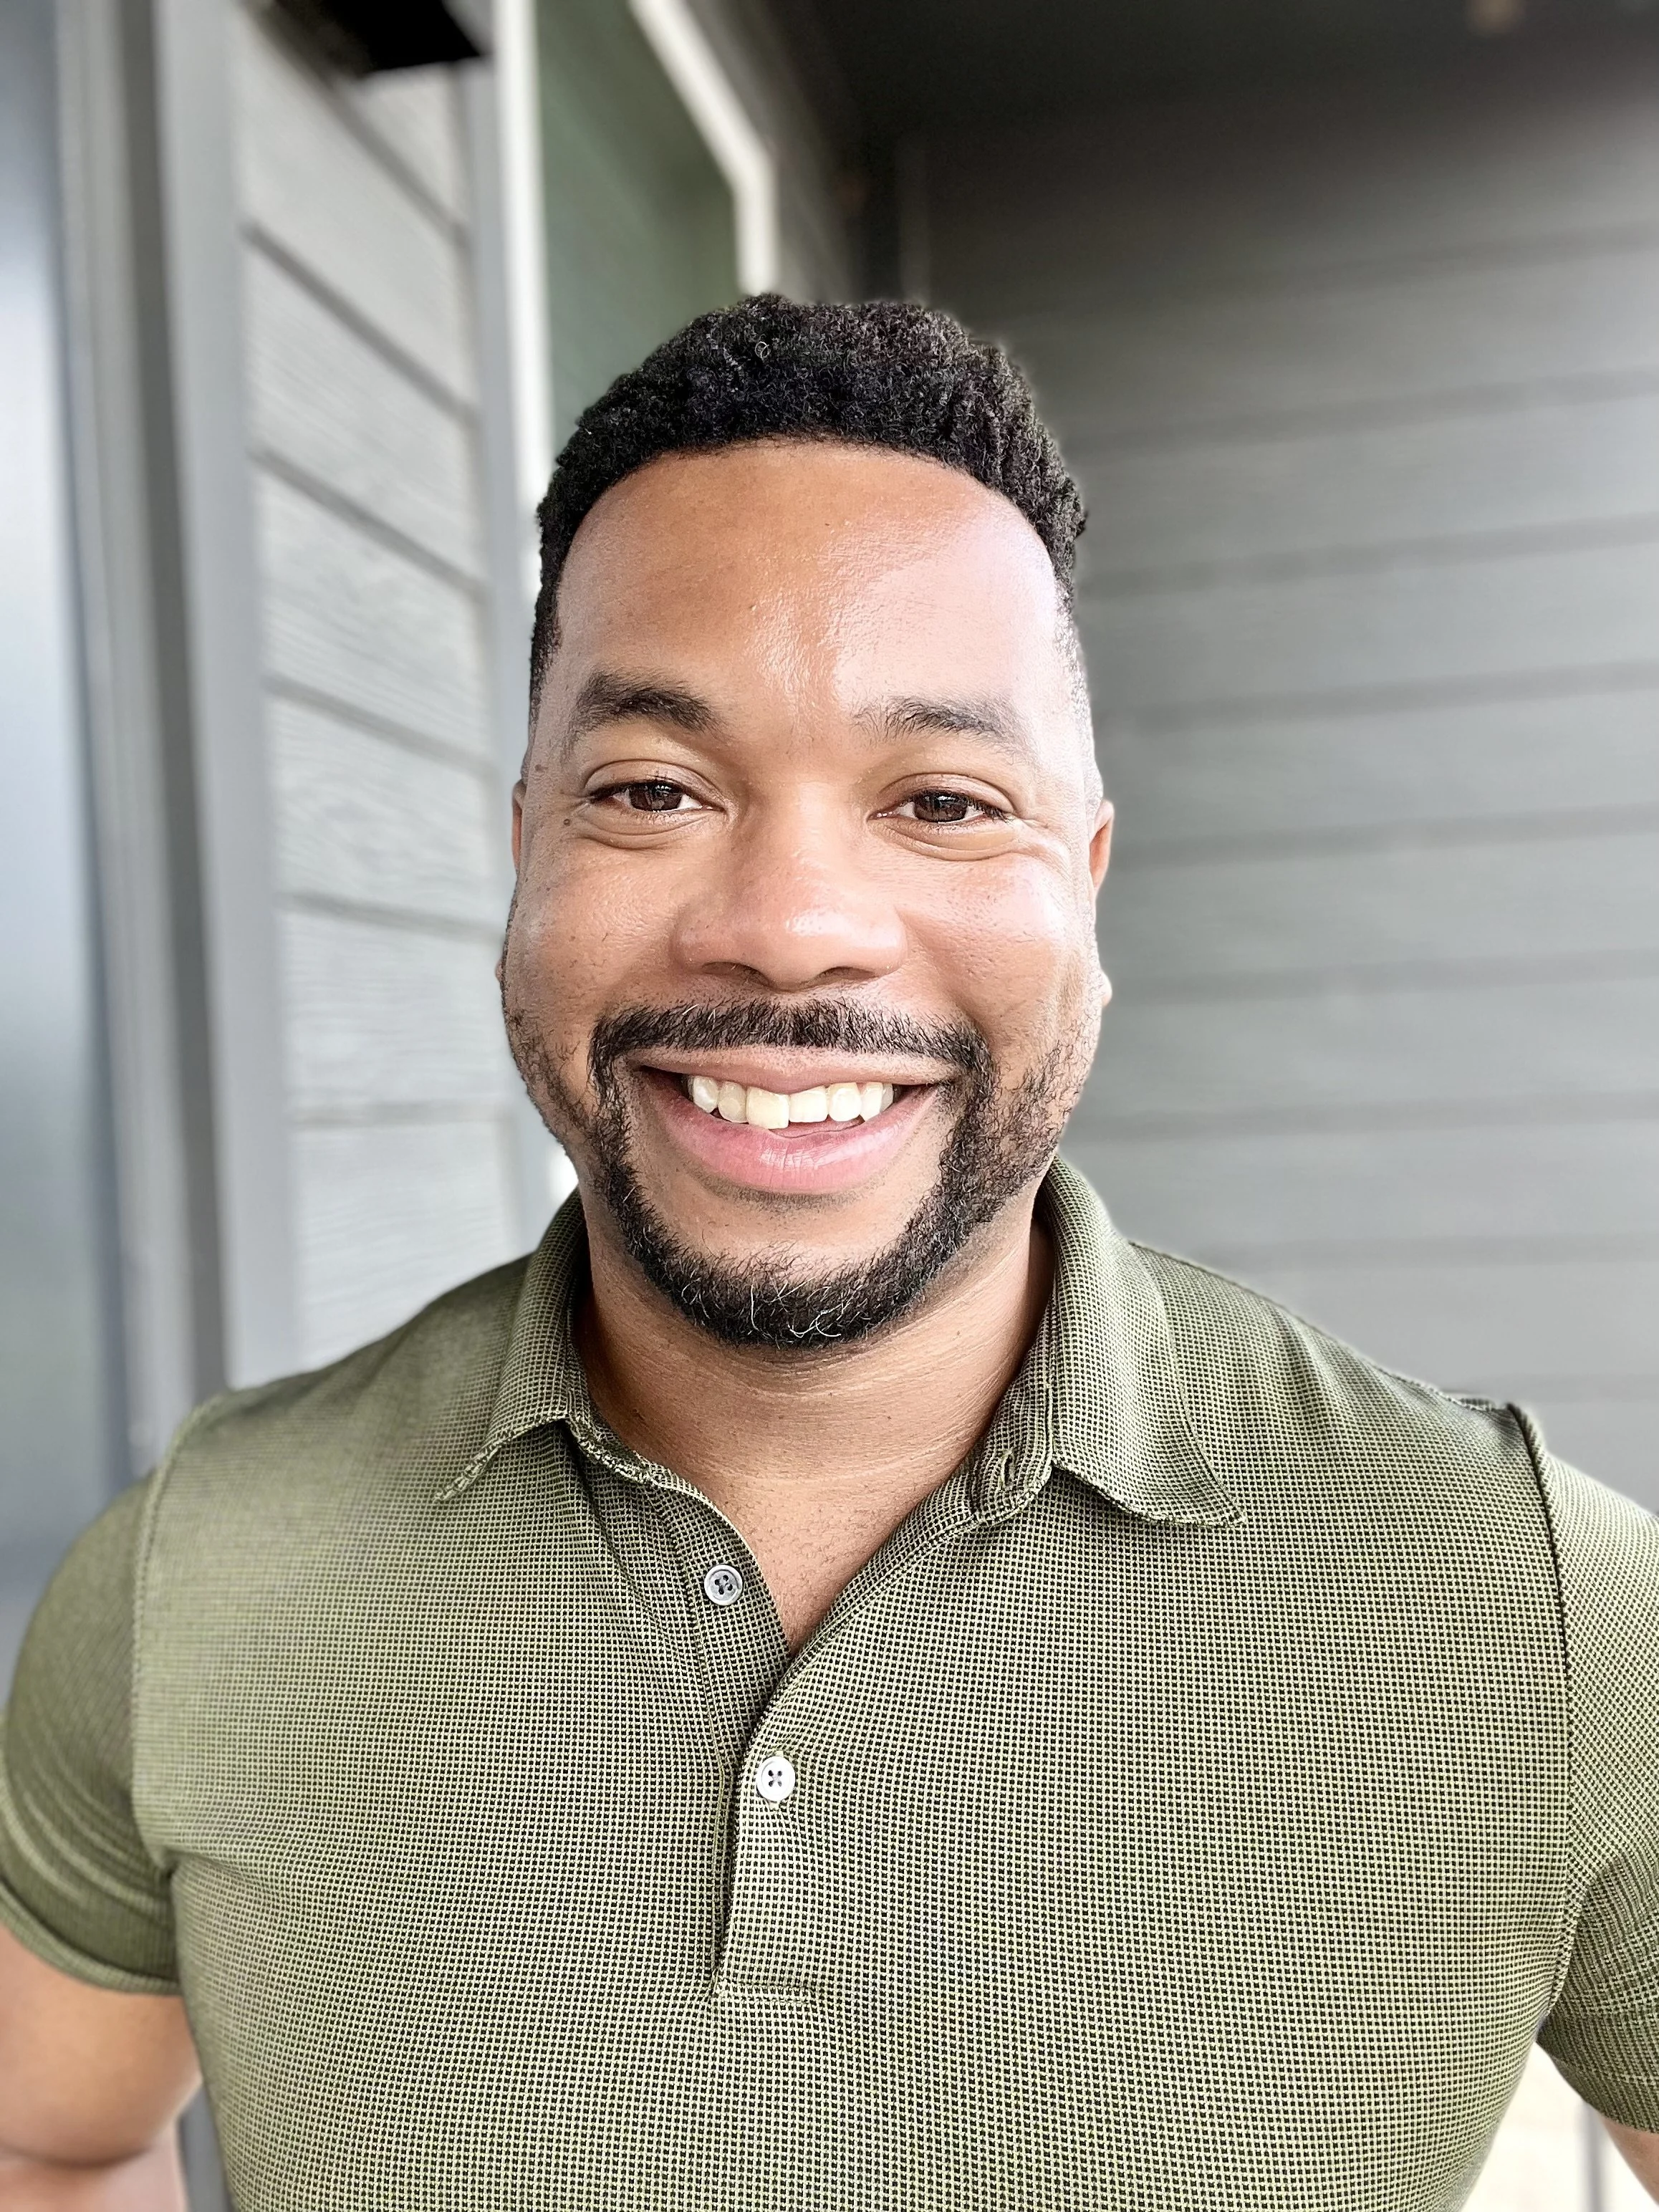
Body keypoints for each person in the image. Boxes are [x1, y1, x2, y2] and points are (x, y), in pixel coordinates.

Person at [1, 295, 1656, 2211]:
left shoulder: (1529, 1608)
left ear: (1082, 883)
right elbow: (48, 2132)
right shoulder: (205, 1564)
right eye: (652, 792)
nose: (791, 927)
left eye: (941, 803)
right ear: (522, 849)